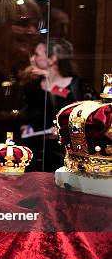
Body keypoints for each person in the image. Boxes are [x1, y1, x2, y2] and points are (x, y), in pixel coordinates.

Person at [21, 38, 95, 171]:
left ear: (52, 59)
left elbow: (90, 117)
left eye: (37, 54)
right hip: (36, 154)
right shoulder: (33, 86)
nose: (32, 59)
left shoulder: (79, 86)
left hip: (68, 157)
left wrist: (50, 81)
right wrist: (26, 126)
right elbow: (25, 115)